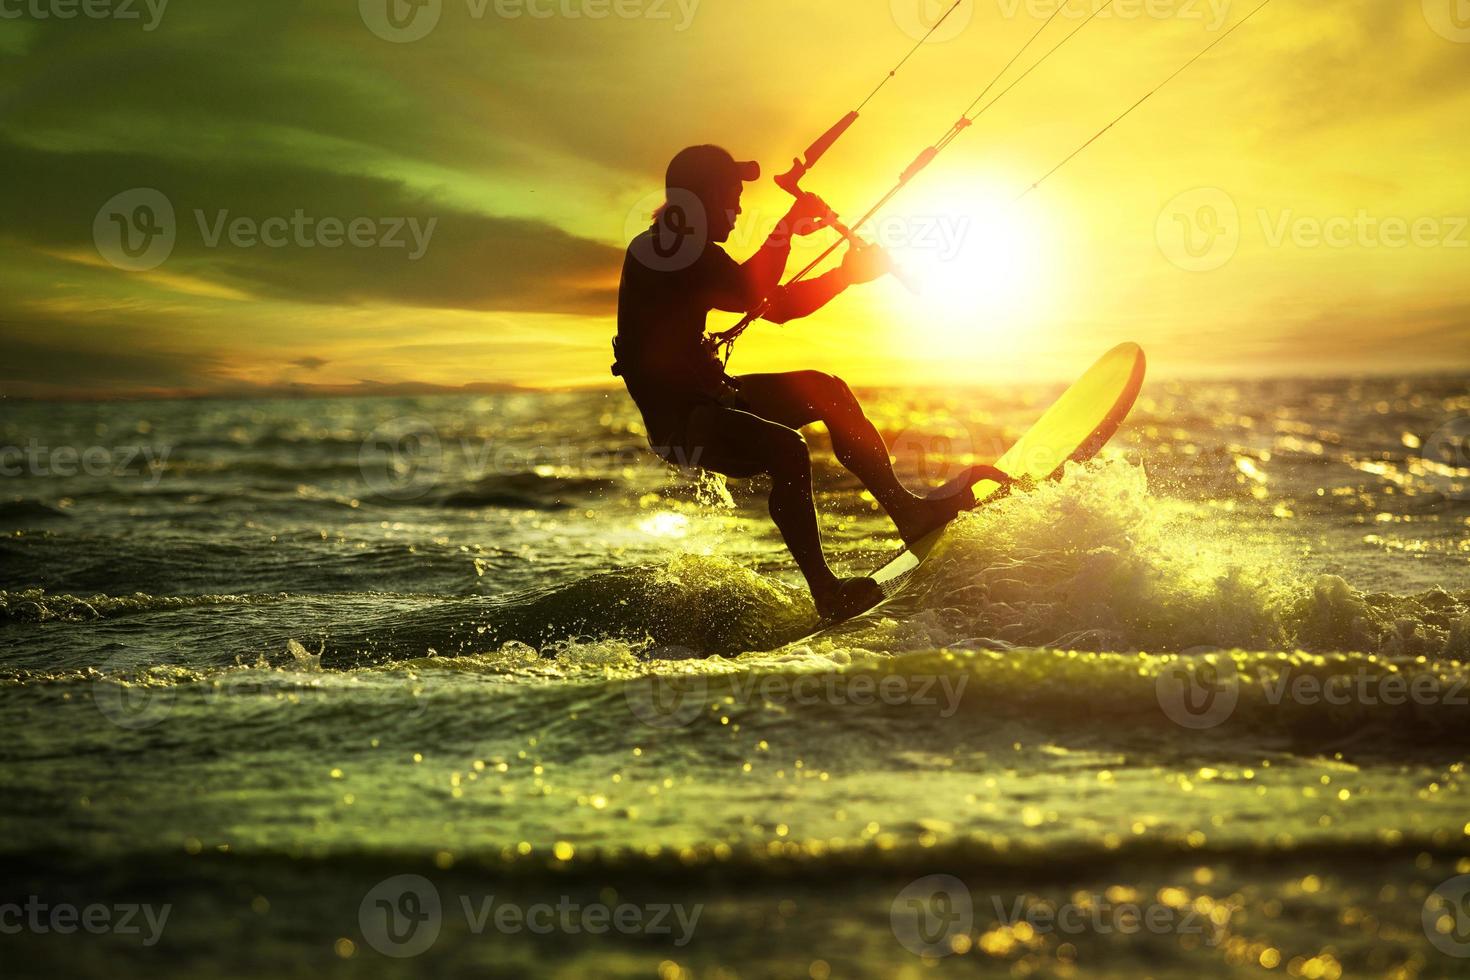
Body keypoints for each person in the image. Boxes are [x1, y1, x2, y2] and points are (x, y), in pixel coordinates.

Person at [614, 144, 1008, 621]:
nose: (738, 208)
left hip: (714, 400)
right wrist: (787, 228)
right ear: (701, 197)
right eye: (731, 196)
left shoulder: (687, 248)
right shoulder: (664, 248)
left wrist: (844, 276)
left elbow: (776, 308)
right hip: (686, 425)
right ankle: (826, 591)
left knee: (827, 390)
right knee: (788, 448)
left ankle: (908, 513)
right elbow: (747, 291)